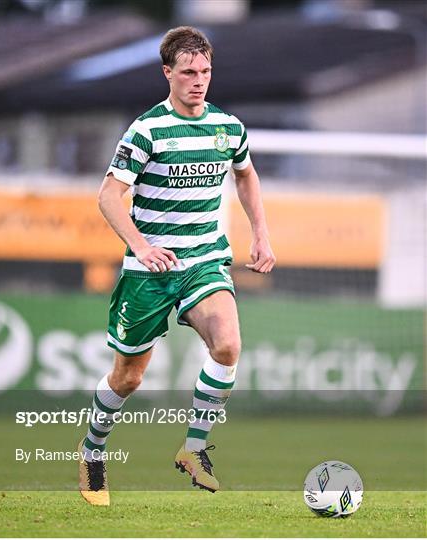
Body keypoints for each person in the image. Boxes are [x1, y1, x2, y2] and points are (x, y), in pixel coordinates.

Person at [78, 26, 275, 506]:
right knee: (128, 377)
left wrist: (261, 234)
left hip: (205, 260)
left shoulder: (229, 127)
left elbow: (245, 176)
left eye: (205, 71)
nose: (198, 80)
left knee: (228, 345)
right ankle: (92, 450)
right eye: (188, 72)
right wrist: (142, 247)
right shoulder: (147, 130)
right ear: (168, 73)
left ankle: (194, 448)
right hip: (151, 271)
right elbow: (108, 196)